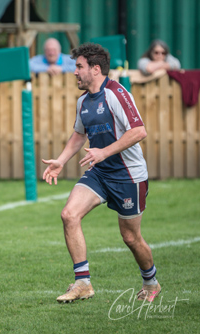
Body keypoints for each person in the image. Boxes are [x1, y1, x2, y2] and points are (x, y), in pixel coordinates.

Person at [42, 43, 161, 303]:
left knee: (130, 237)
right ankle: (83, 283)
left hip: (128, 175)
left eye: (79, 67)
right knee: (69, 214)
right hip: (100, 173)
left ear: (95, 69)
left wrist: (103, 152)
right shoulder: (83, 101)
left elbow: (139, 131)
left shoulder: (116, 93)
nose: (74, 72)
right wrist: (61, 161)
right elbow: (78, 135)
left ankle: (151, 282)